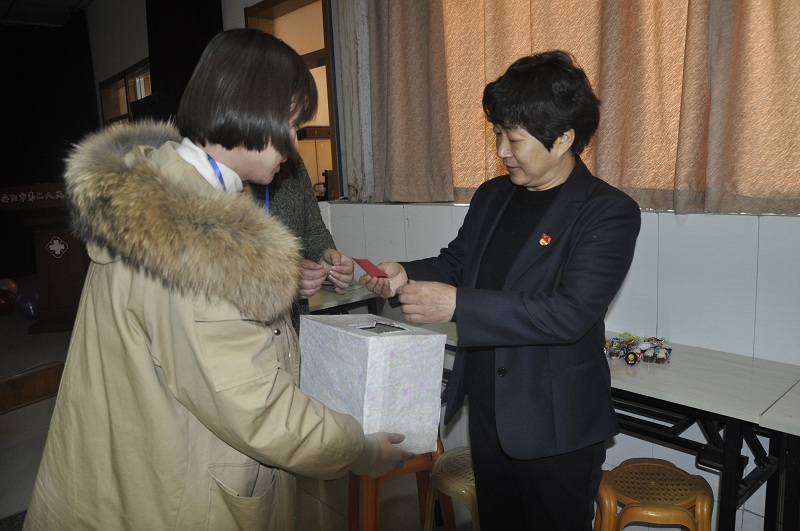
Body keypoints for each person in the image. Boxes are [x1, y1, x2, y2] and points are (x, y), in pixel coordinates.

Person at [23, 29, 412, 531]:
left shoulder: (161, 190)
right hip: (175, 488)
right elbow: (257, 407)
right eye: (292, 125)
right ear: (252, 111)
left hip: (137, 455)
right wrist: (359, 449)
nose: (294, 145)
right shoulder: (194, 239)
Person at [361, 51, 641, 531]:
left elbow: (569, 313)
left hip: (556, 425)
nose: (502, 151)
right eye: (497, 135)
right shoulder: (494, 195)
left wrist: (458, 304)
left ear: (563, 138)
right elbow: (457, 263)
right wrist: (403, 273)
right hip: (491, 413)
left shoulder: (607, 211)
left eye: (514, 138)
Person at [249, 157, 354, 333]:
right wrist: (282, 278)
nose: (295, 145)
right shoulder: (214, 173)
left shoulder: (292, 161)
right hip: (244, 333)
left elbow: (313, 229)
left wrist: (324, 255)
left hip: (292, 326)